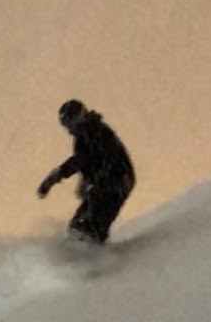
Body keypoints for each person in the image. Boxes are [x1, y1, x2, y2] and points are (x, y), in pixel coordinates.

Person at [36, 99, 136, 245]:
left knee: (93, 223)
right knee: (78, 225)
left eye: (71, 124)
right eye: (67, 126)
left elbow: (108, 159)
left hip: (117, 181)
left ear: (80, 117)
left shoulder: (97, 132)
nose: (70, 130)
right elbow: (80, 161)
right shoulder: (84, 136)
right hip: (105, 183)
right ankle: (80, 247)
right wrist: (55, 177)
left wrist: (91, 182)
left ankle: (94, 250)